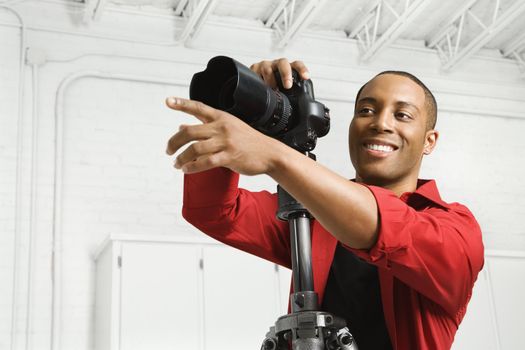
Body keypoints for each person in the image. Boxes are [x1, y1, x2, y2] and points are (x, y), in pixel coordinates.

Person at [165, 58, 484, 350]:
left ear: (430, 140)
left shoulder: (456, 230)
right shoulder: (310, 216)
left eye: (401, 115)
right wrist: (237, 114)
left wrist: (275, 156)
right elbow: (215, 212)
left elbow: (385, 227)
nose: (380, 123)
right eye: (366, 111)